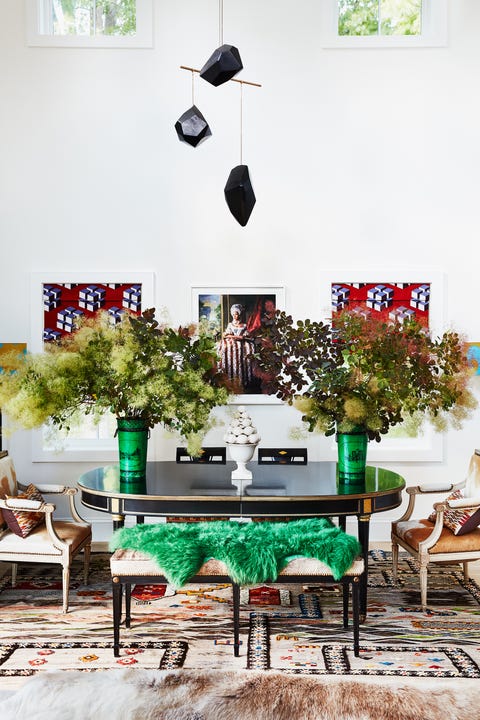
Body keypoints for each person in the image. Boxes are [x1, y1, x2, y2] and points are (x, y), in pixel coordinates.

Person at [220, 304, 255, 391]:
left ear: (240, 314)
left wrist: (242, 337)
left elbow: (247, 336)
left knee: (248, 348)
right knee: (225, 347)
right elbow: (226, 335)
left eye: (237, 314)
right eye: (234, 314)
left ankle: (244, 378)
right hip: (233, 341)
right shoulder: (230, 324)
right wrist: (235, 337)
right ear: (232, 314)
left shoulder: (244, 325)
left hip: (242, 342)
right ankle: (229, 375)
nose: (236, 316)